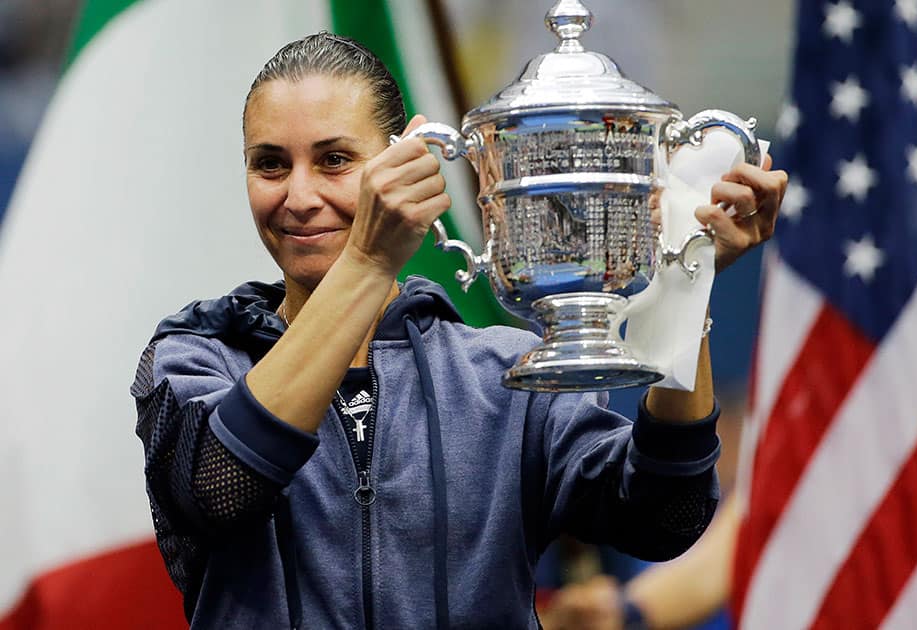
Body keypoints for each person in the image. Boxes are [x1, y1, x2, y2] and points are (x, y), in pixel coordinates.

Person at [131, 32, 787, 629]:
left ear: (409, 159)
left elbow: (663, 515)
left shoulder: (502, 371)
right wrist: (368, 259)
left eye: (333, 160)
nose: (298, 196)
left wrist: (683, 281)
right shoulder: (197, 354)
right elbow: (219, 488)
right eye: (270, 165)